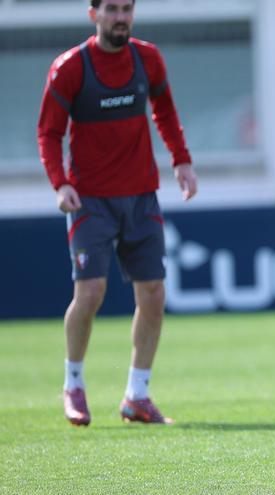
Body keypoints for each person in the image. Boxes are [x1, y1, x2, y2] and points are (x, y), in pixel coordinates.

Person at [37, 0, 197, 426]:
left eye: (127, 8)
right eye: (112, 9)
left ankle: (137, 395)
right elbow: (48, 132)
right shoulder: (71, 67)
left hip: (142, 196)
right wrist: (61, 183)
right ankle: (73, 384)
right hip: (90, 200)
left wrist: (181, 160)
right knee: (89, 294)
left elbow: (164, 110)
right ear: (94, 15)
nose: (121, 16)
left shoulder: (148, 58)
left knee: (153, 296)